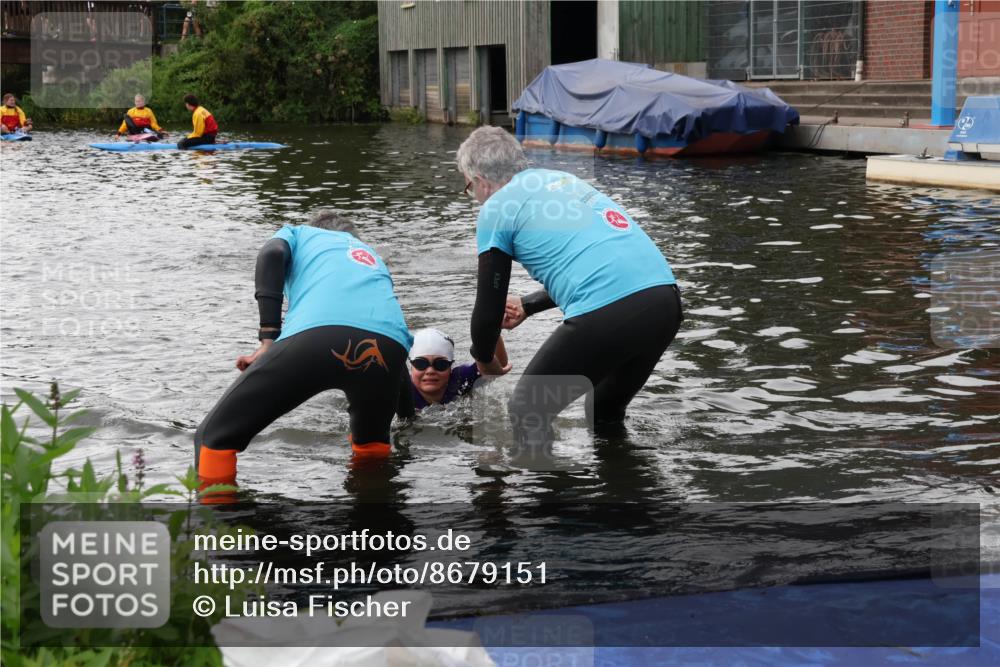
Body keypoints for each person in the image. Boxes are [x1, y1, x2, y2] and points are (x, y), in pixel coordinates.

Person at [456, 127, 683, 462]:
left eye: (468, 187)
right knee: (603, 410)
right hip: (664, 301)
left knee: (527, 407)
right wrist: (529, 306)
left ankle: (555, 510)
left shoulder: (496, 208)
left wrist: (485, 359)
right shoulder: (561, 181)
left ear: (480, 180)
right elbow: (600, 260)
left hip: (611, 311)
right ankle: (627, 500)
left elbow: (487, 311)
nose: (473, 195)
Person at [194, 210, 413, 491]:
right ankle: (373, 521)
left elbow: (271, 254)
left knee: (212, 438)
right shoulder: (371, 259)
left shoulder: (300, 234)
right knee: (371, 445)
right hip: (388, 348)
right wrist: (409, 416)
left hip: (318, 336)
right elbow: (392, 342)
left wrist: (268, 339)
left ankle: (217, 526)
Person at [407, 328, 509, 411]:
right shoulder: (401, 389)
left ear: (450, 367)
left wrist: (494, 329)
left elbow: (497, 367)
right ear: (411, 367)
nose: (430, 371)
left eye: (441, 364)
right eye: (420, 364)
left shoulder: (460, 379)